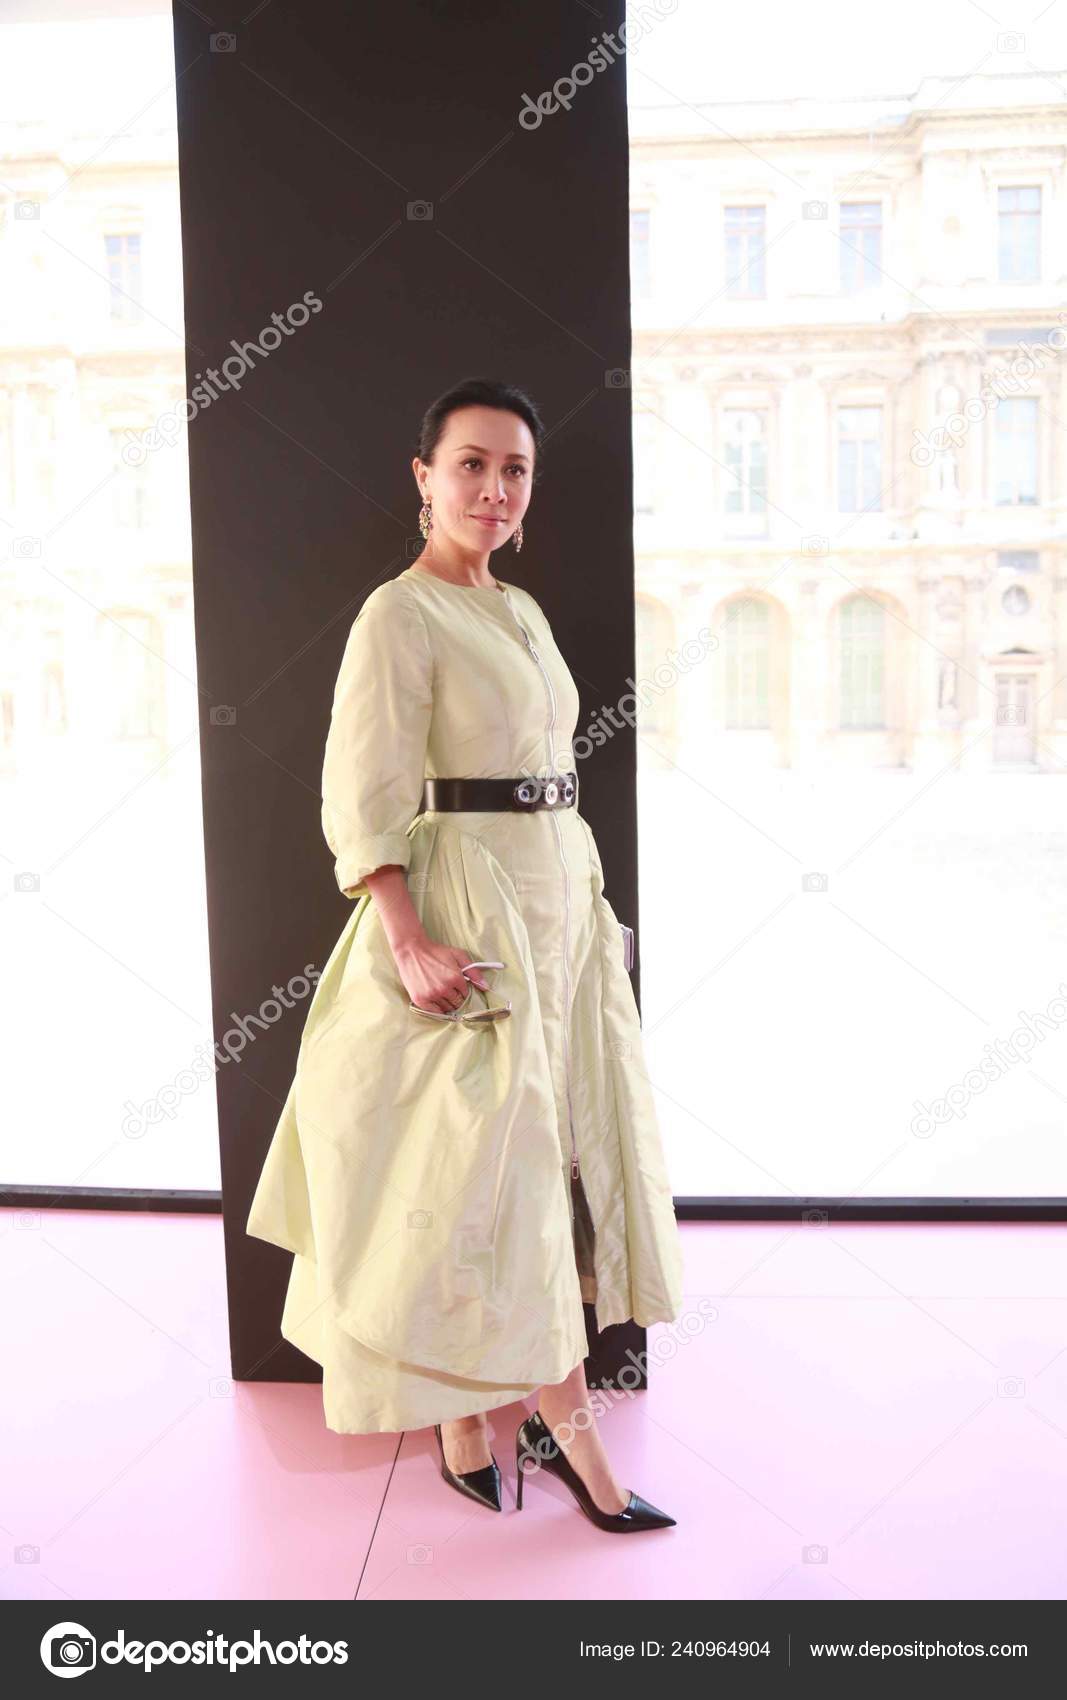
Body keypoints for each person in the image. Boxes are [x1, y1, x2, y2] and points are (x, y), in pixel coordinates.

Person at [246, 376, 684, 1532]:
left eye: (515, 470)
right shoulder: (398, 613)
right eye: (473, 464)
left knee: (544, 1166)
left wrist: (589, 910)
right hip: (464, 911)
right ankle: (564, 1441)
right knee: (483, 1177)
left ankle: (479, 1419)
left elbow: (550, 774)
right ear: (423, 475)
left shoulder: (521, 611)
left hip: (554, 900)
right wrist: (407, 935)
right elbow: (367, 788)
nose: (494, 488)